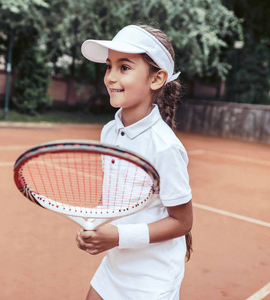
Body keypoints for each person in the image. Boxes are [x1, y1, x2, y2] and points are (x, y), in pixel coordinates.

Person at [75, 24, 193, 300]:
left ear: (156, 79)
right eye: (108, 66)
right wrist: (95, 226)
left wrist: (117, 237)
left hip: (152, 280)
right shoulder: (110, 131)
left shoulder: (164, 148)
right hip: (118, 265)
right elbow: (117, 198)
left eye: (124, 67)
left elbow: (182, 222)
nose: (110, 78)